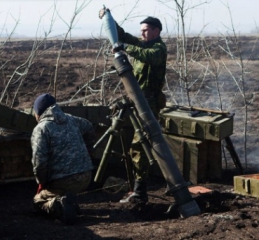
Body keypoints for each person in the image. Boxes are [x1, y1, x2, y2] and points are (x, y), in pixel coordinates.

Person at [99, 9, 167, 203]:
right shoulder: (143, 43)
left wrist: (124, 49)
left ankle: (140, 192)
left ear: (156, 31)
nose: (142, 34)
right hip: (136, 100)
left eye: (145, 30)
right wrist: (108, 17)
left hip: (149, 104)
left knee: (139, 145)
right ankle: (137, 189)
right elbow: (122, 35)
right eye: (141, 31)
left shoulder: (158, 49)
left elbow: (147, 56)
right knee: (134, 146)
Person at [31, 93, 96, 225]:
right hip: (86, 176)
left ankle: (61, 207)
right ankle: (69, 202)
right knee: (64, 189)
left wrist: (42, 181)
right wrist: (88, 150)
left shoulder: (41, 128)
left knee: (38, 200)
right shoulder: (72, 119)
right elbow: (89, 126)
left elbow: (39, 162)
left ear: (39, 111)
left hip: (64, 181)